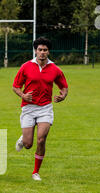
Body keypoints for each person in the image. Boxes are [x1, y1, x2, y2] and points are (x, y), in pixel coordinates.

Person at [13, 37, 68, 181]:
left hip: (45, 108)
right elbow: (15, 86)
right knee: (28, 144)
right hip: (28, 108)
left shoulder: (55, 69)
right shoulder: (26, 66)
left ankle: (35, 172)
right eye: (40, 50)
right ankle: (24, 139)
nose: (42, 52)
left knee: (41, 139)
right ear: (35, 51)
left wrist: (63, 95)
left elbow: (64, 87)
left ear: (48, 52)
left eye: (45, 50)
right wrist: (23, 95)